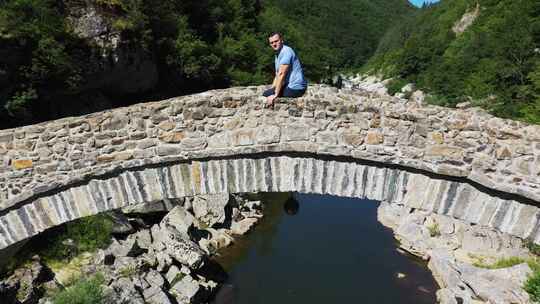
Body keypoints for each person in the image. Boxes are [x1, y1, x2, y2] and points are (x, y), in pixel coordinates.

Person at [263, 32, 307, 107]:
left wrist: (275, 94)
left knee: (266, 94)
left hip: (296, 88)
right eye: (271, 43)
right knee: (267, 93)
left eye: (276, 41)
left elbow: (281, 74)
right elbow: (277, 75)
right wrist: (272, 89)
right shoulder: (278, 54)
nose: (274, 44)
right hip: (290, 86)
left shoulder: (286, 51)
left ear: (281, 40)